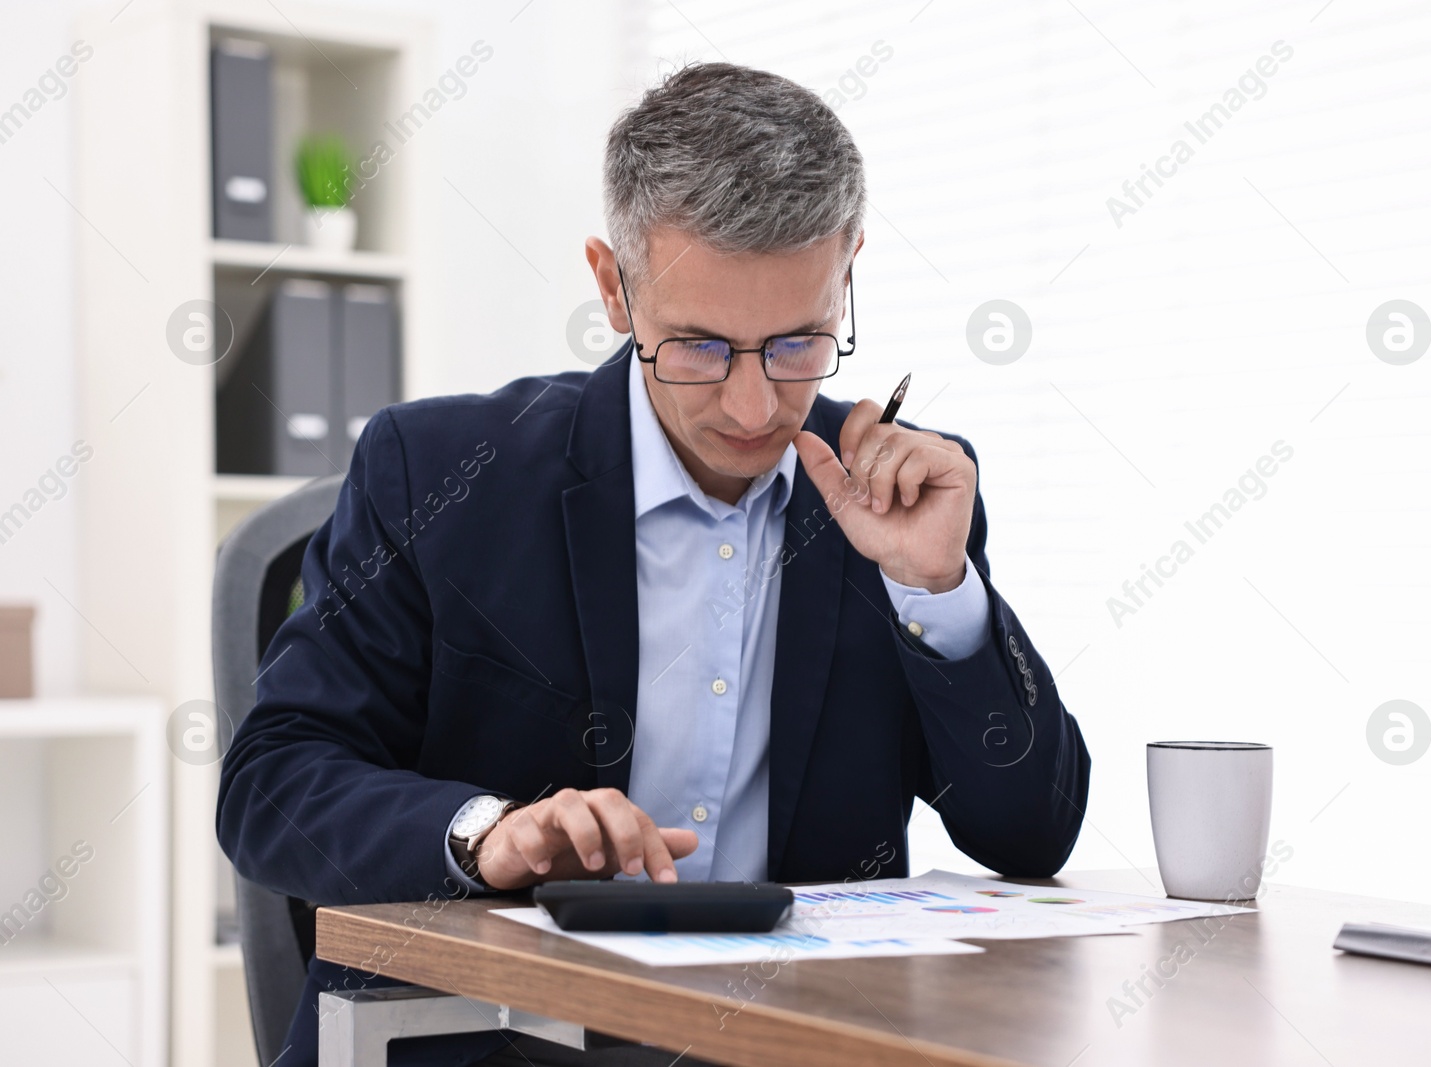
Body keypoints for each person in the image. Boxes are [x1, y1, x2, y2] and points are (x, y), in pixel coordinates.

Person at [218, 61, 1090, 1067]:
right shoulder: (440, 472)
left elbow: (1031, 836)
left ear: (846, 268)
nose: (756, 407)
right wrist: (483, 834)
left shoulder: (901, 491)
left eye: (800, 343)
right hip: (486, 1042)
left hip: (781, 1042)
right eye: (701, 348)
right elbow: (272, 783)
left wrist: (937, 593)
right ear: (612, 285)